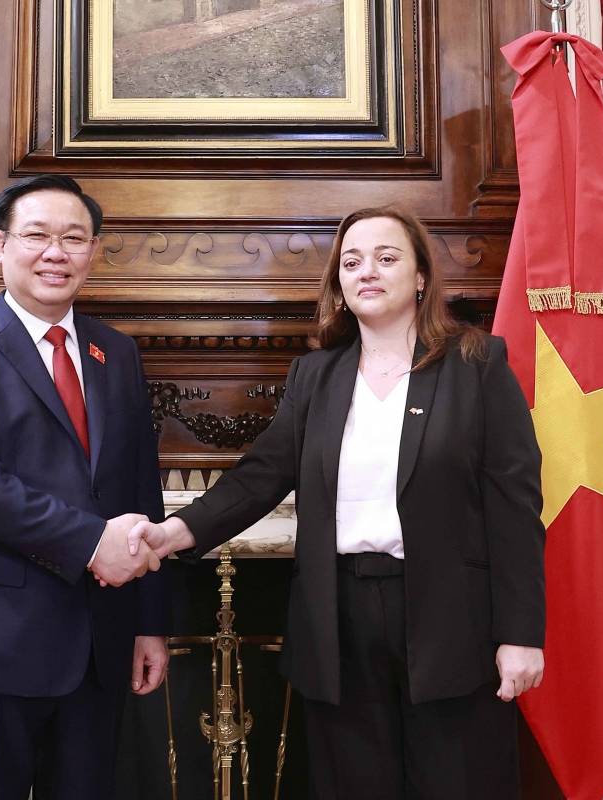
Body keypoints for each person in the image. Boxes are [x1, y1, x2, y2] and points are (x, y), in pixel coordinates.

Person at [127, 207, 546, 799]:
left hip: (452, 621)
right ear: (339, 284)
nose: (366, 271)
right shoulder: (315, 375)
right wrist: (172, 533)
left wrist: (521, 633)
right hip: (337, 618)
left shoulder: (477, 365)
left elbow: (515, 507)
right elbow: (258, 479)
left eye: (385, 257)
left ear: (421, 276)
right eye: (351, 262)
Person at [0, 175, 169, 800]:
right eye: (37, 236)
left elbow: (141, 488)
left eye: (74, 238)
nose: (56, 253)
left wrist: (148, 622)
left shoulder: (117, 353)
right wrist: (91, 543)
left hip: (100, 644)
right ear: (0, 245)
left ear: (93, 251)